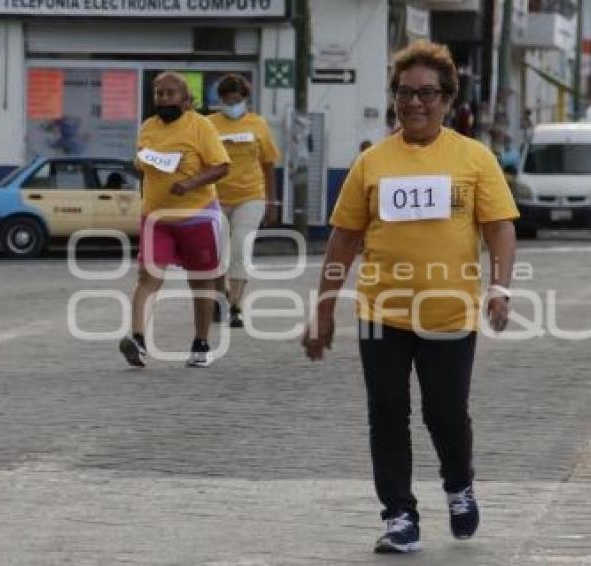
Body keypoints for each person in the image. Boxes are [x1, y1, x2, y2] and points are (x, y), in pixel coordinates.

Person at [302, 41, 519, 554]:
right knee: (387, 412)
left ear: (447, 99)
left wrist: (500, 288)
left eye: (426, 93)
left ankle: (458, 484)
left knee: (444, 413)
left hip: (448, 314)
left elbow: (499, 228)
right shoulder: (373, 162)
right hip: (382, 313)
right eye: (405, 93)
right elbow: (344, 239)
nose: (414, 103)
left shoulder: (473, 158)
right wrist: (324, 309)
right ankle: (399, 514)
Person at [119, 71, 230, 368]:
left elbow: (221, 167)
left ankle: (201, 343)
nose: (163, 99)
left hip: (197, 216)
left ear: (185, 98)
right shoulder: (148, 127)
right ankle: (138, 340)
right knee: (147, 277)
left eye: (169, 93)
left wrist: (189, 184)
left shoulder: (201, 126)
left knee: (202, 282)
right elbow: (142, 163)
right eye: (158, 94)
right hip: (157, 217)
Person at [208, 74, 281, 328]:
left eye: (237, 99)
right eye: (228, 99)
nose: (233, 103)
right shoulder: (209, 125)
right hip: (215, 198)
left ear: (245, 99)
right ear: (221, 99)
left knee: (240, 246)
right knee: (216, 254)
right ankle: (219, 297)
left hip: (250, 196)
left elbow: (269, 164)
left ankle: (236, 305)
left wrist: (272, 202)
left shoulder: (258, 124)